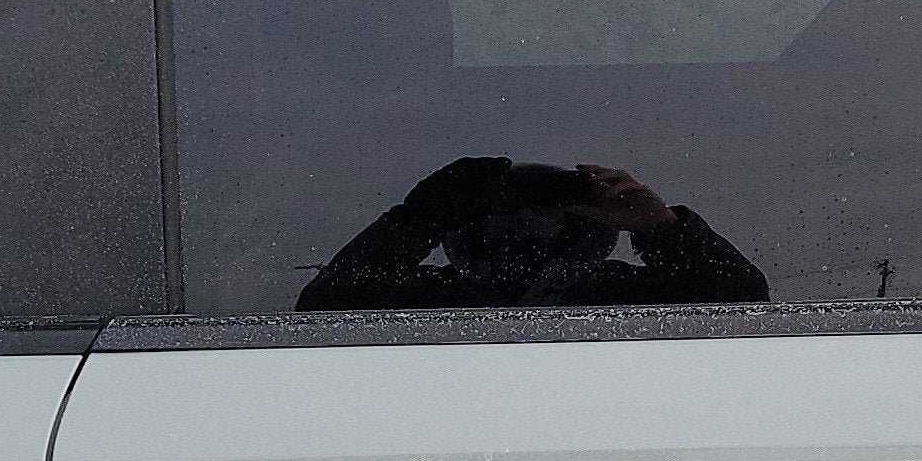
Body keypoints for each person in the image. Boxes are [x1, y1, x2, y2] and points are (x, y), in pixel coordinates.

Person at [298, 157, 771, 311]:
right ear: (470, 220)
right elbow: (321, 310)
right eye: (504, 204)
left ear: (583, 218)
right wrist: (417, 219)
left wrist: (661, 228)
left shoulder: (616, 294)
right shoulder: (427, 297)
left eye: (545, 204)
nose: (523, 217)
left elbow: (741, 303)